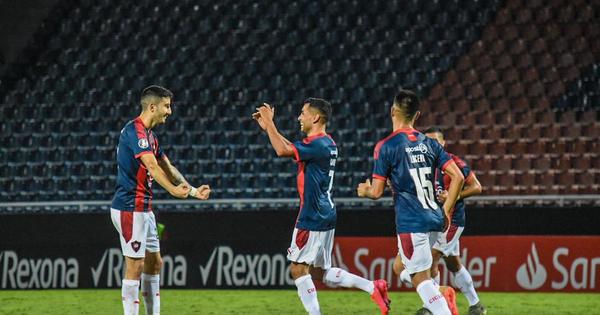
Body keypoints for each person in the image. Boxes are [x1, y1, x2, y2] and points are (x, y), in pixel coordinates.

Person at [252, 99, 390, 315]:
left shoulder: (317, 144)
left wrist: (270, 123)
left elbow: (281, 151)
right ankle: (373, 287)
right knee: (318, 272)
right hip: (325, 212)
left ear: (315, 117)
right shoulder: (326, 143)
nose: (299, 117)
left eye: (302, 113)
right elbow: (290, 148)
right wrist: (270, 129)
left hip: (312, 214)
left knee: (298, 269)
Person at [356, 90, 464, 315]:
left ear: (392, 111)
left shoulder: (386, 146)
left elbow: (376, 193)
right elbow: (458, 177)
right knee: (409, 270)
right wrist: (445, 210)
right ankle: (442, 292)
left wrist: (364, 190)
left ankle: (442, 299)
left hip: (411, 222)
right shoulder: (430, 143)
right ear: (416, 116)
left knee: (421, 281)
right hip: (434, 217)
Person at [110, 85, 211, 315]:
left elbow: (168, 167)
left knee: (154, 263)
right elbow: (152, 167)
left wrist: (193, 191)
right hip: (129, 208)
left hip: (144, 210)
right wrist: (174, 191)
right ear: (152, 106)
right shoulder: (134, 132)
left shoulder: (151, 137)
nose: (169, 111)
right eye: (166, 106)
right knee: (134, 266)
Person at [423, 126, 486, 315]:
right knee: (453, 264)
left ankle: (432, 308)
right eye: (427, 141)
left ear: (443, 143)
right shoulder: (424, 165)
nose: (431, 145)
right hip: (434, 221)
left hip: (452, 221)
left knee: (430, 261)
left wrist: (453, 196)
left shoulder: (454, 163)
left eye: (435, 141)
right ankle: (476, 305)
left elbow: (476, 187)